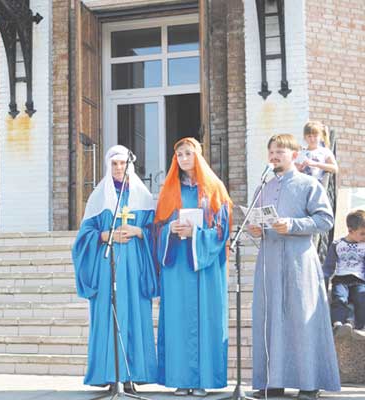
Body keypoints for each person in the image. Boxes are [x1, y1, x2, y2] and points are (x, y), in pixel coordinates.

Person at [247, 134, 340, 400]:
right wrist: (255, 229)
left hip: (300, 261)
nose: (275, 156)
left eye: (281, 151)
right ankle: (272, 383)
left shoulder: (308, 184)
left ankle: (309, 383)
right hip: (269, 262)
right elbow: (258, 220)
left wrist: (292, 225)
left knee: (301, 319)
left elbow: (325, 220)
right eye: (272, 152)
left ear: (295, 154)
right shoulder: (263, 186)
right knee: (270, 318)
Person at [71, 145, 158, 392]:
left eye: (123, 164)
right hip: (107, 266)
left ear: (130, 166)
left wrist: (139, 231)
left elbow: (155, 231)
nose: (119, 168)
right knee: (109, 316)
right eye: (114, 164)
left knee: (134, 314)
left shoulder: (144, 197)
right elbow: (82, 238)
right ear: (108, 167)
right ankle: (110, 374)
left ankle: (133, 375)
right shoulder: (98, 197)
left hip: (135, 266)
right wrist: (104, 234)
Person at [153, 137, 232, 397]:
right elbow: (157, 228)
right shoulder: (169, 190)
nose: (184, 158)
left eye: (188, 153)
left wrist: (198, 233)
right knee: (177, 320)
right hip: (177, 267)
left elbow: (222, 231)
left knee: (205, 319)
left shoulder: (214, 189)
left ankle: (203, 380)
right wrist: (170, 230)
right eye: (179, 155)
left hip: (204, 268)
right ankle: (180, 378)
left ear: (198, 156)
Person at [323, 209, 365, 337]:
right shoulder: (337, 245)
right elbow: (328, 267)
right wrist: (322, 282)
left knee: (361, 298)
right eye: (362, 234)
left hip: (359, 281)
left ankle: (357, 325)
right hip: (341, 279)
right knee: (340, 298)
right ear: (350, 231)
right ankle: (338, 325)